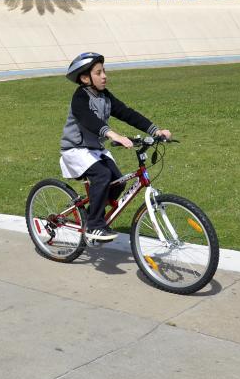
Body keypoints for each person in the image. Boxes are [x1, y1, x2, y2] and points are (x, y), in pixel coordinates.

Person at [59, 52, 172, 242]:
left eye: (104, 71)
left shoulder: (104, 96)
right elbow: (89, 120)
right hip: (76, 149)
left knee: (118, 182)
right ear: (85, 78)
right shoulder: (80, 97)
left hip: (94, 150)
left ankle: (90, 216)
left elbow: (126, 113)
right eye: (98, 72)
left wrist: (155, 130)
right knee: (102, 176)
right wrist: (113, 135)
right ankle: (94, 225)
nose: (104, 76)